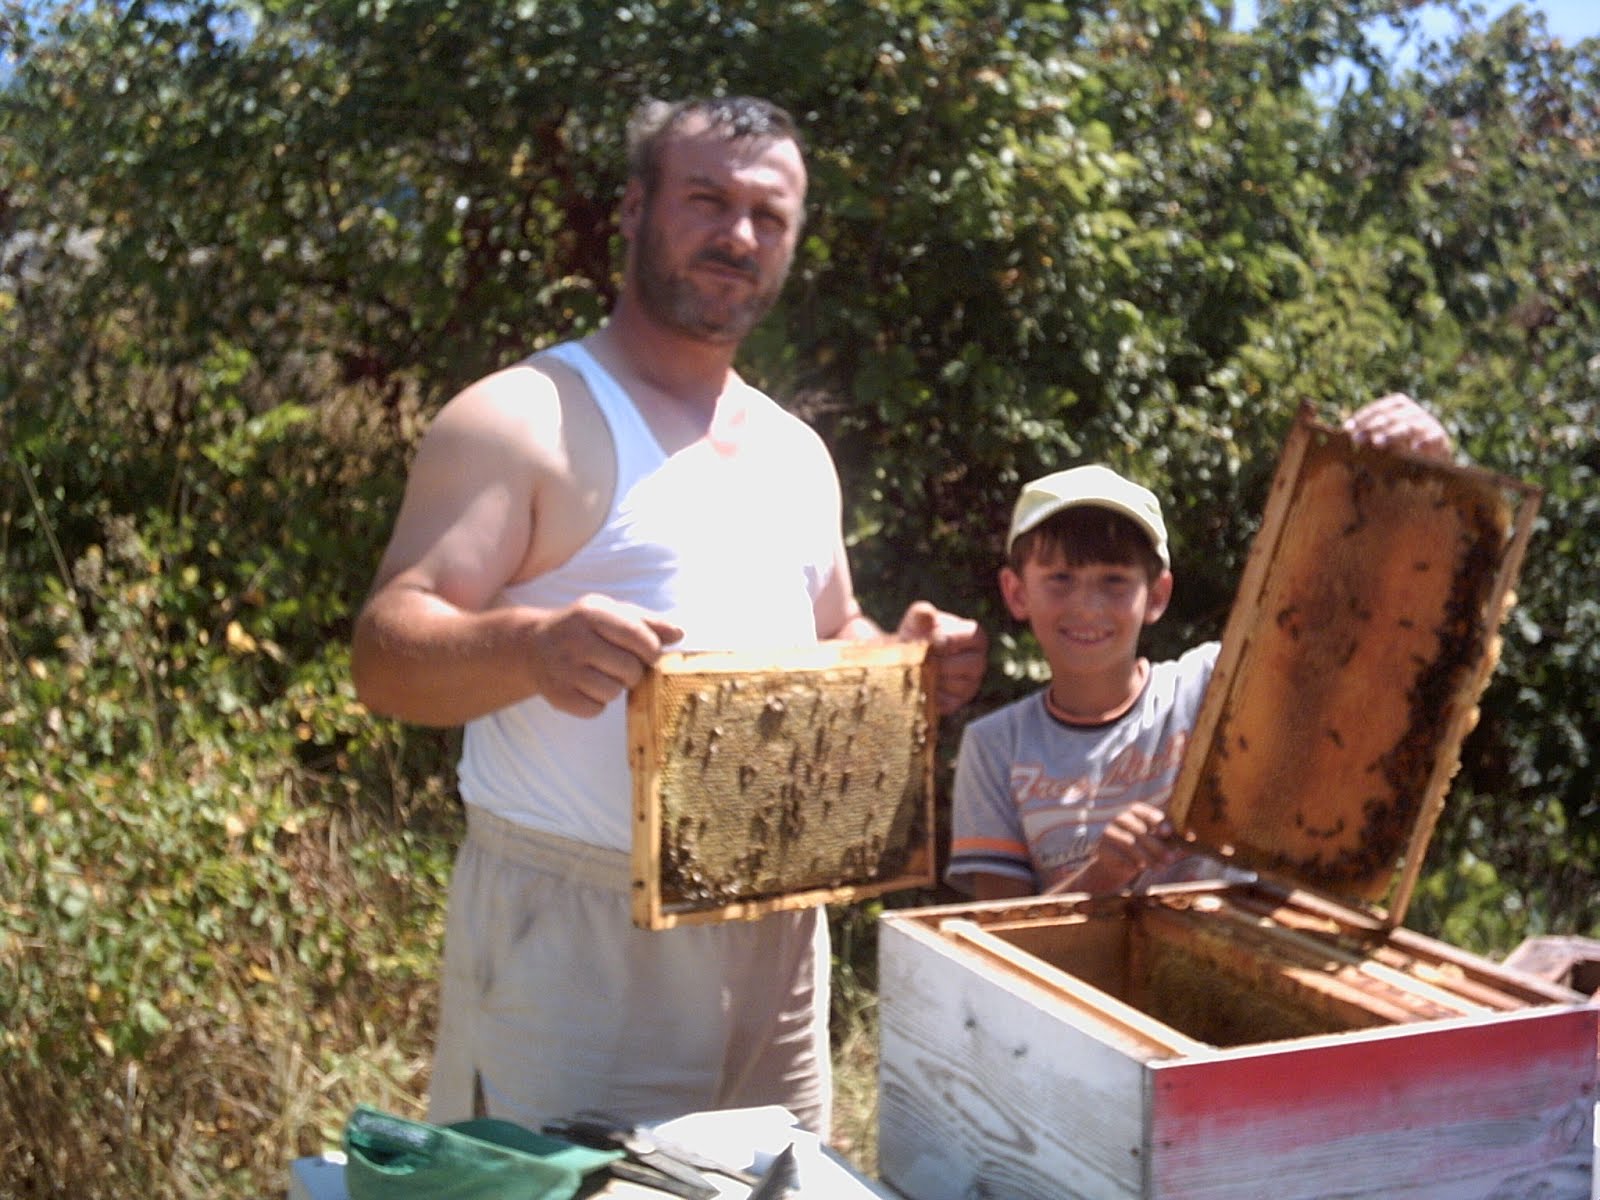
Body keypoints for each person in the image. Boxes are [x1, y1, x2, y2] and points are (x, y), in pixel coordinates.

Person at [349, 95, 987, 1140]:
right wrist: (529, 646)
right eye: (706, 200)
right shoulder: (522, 416)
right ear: (634, 211)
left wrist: (902, 659)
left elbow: (838, 633)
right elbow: (384, 653)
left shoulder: (794, 451)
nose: (737, 235)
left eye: (767, 217)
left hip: (780, 931)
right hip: (578, 934)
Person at [945, 396, 1451, 900]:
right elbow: (1001, 938)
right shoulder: (995, 748)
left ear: (1158, 595)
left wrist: (1415, 482)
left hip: (1242, 959)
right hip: (1064, 982)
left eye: (1115, 580)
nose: (1088, 607)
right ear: (1016, 593)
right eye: (1060, 578)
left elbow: (1351, 642)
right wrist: (1102, 876)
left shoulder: (1213, 682)